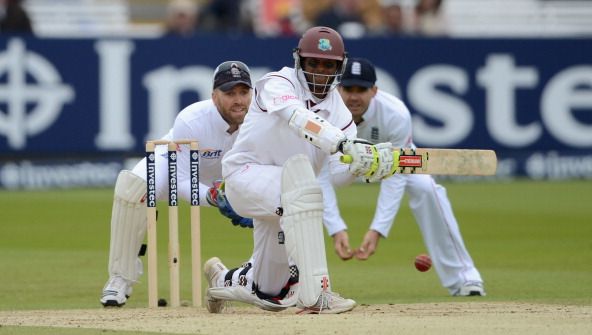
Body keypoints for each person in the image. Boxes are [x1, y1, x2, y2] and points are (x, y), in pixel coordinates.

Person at [203, 26, 398, 314]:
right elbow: (297, 118)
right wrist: (345, 144)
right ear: (299, 62)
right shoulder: (277, 83)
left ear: (338, 66)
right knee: (304, 192)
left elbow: (337, 175)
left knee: (269, 291)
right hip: (245, 176)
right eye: (313, 63)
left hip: (284, 195)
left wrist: (366, 166)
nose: (320, 71)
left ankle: (222, 278)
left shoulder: (341, 115)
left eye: (327, 64)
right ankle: (317, 293)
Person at [320, 57, 485, 296]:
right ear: (337, 88)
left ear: (374, 90)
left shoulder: (396, 114)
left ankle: (465, 278)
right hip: (340, 166)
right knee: (302, 184)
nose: (354, 97)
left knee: (426, 187)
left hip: (388, 163)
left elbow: (395, 176)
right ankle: (296, 283)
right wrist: (336, 229)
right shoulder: (325, 113)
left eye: (362, 89)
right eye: (348, 89)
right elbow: (321, 177)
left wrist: (377, 230)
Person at [100, 61, 254, 307]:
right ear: (214, 96)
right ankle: (121, 277)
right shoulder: (193, 119)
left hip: (226, 175)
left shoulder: (260, 120)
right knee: (132, 187)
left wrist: (250, 201)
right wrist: (214, 197)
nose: (238, 100)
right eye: (229, 93)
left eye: (243, 92)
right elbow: (182, 180)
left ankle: (261, 278)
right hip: (175, 164)